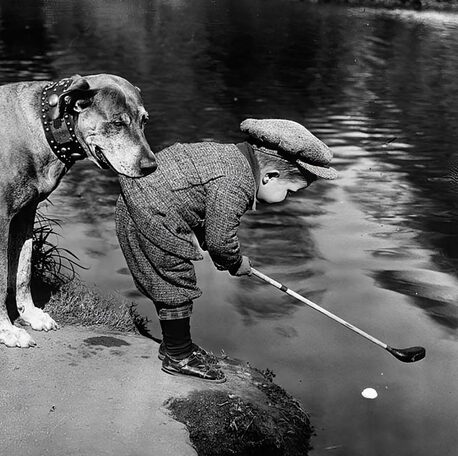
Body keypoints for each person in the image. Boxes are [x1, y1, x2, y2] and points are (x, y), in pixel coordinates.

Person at [116, 119, 338, 382]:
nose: (287, 198)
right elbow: (221, 241)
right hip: (149, 213)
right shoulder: (237, 183)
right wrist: (234, 262)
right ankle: (178, 356)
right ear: (269, 177)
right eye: (289, 191)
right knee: (174, 284)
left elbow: (199, 205)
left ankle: (175, 345)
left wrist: (216, 246)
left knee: (172, 282)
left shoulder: (230, 158)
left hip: (144, 204)